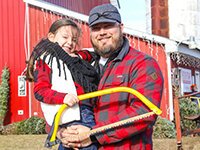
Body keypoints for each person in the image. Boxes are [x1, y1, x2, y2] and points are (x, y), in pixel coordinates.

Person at [57, 3, 164, 150]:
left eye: (108, 26)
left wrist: (93, 134)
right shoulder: (81, 65)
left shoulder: (142, 64)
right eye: (96, 28)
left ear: (121, 28)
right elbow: (55, 97)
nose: (101, 32)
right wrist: (60, 131)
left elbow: (144, 112)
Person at [25, 18, 99, 150]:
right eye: (65, 37)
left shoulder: (77, 57)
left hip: (87, 110)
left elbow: (92, 54)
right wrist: (63, 97)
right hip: (69, 112)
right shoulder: (46, 60)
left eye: (74, 39)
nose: (70, 42)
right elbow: (40, 91)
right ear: (51, 37)